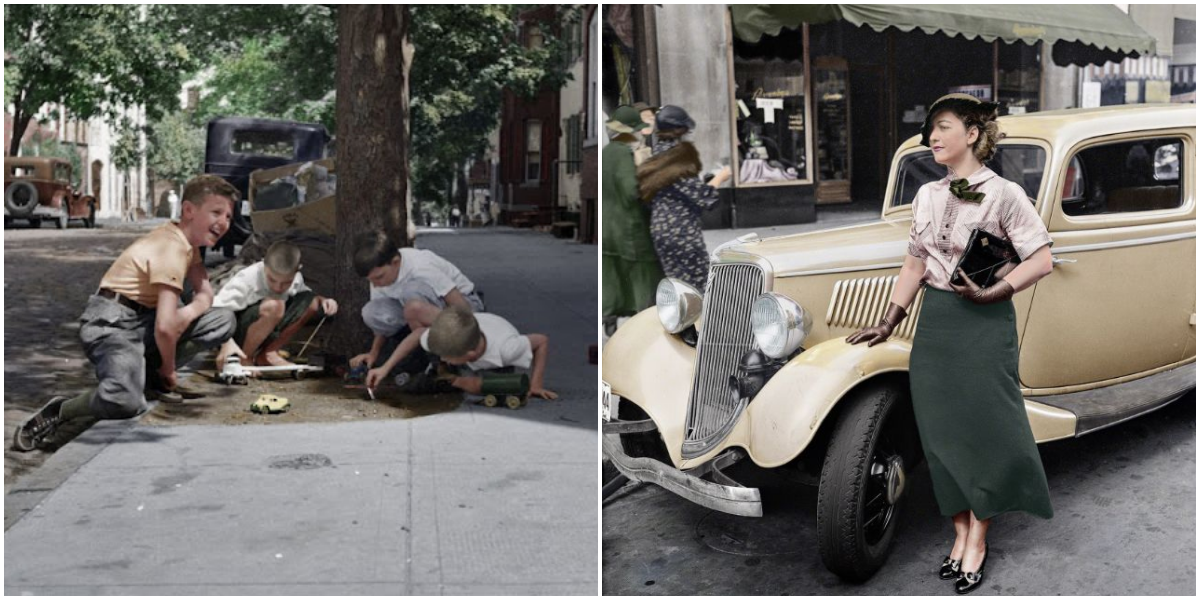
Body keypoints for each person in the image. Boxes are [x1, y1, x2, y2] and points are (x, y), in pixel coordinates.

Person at [846, 93, 1055, 595]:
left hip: (982, 327)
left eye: (942, 127)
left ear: (974, 134)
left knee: (982, 433)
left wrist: (992, 291)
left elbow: (1041, 258)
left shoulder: (1005, 193)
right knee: (942, 438)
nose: (932, 137)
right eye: (930, 129)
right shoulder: (926, 195)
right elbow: (915, 264)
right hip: (936, 326)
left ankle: (977, 538)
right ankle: (959, 530)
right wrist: (889, 319)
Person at [13, 175, 239, 451]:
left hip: (143, 321)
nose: (224, 222)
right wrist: (170, 370)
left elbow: (205, 294)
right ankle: (61, 410)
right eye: (216, 212)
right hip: (113, 323)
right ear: (189, 210)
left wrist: (190, 311)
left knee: (223, 319)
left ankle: (148, 378)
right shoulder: (170, 247)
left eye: (228, 216)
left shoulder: (188, 246)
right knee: (126, 401)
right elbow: (166, 328)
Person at [351, 230, 485, 375]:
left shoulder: (420, 267)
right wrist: (373, 353)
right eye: (371, 281)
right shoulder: (379, 276)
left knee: (412, 293)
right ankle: (423, 350)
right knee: (371, 312)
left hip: (461, 307)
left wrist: (472, 333)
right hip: (418, 314)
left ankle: (440, 353)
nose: (375, 285)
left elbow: (459, 303)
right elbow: (381, 327)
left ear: (395, 262)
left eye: (379, 278)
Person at [636, 105, 732, 293]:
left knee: (677, 288)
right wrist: (721, 177)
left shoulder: (657, 155)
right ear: (678, 130)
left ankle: (682, 321)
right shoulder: (678, 158)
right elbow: (703, 197)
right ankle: (699, 323)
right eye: (686, 129)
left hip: (661, 228)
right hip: (681, 231)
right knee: (699, 288)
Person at [211, 241, 339, 371]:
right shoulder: (246, 279)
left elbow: (305, 298)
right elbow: (215, 311)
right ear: (264, 265)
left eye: (286, 283)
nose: (278, 287)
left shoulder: (296, 278)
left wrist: (324, 301)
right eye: (272, 280)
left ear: (297, 270)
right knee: (275, 305)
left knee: (312, 302)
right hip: (235, 335)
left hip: (268, 328)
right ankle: (244, 358)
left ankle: (269, 353)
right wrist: (226, 345)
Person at [602, 105, 664, 335]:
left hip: (607, 226)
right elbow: (631, 191)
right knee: (643, 272)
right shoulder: (623, 154)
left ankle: (609, 314)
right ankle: (645, 319)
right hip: (628, 226)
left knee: (612, 272)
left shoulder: (606, 153)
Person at [410, 305, 557, 400]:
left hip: (497, 353)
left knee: (498, 388)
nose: (443, 358)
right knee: (437, 356)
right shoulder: (447, 340)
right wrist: (386, 368)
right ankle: (444, 374)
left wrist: (536, 385)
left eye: (447, 357)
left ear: (470, 356)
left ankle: (454, 379)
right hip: (470, 335)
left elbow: (541, 340)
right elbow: (418, 334)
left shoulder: (507, 350)